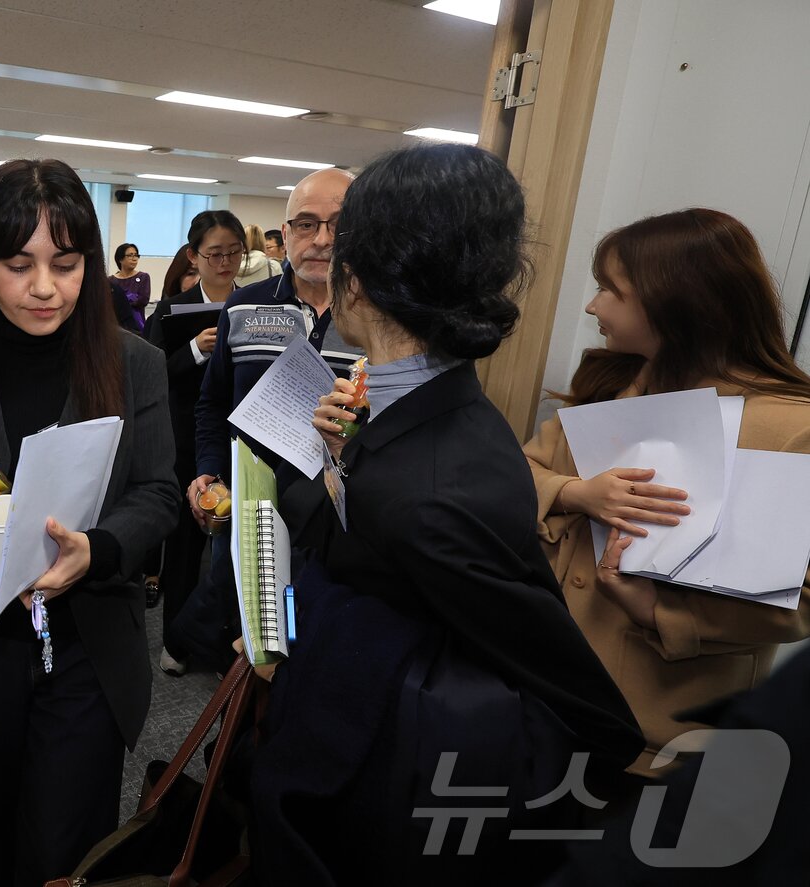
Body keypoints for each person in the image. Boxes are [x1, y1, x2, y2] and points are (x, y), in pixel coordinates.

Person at [250, 142, 643, 887]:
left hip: (377, 810)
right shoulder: (414, 404)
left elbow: (589, 713)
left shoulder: (431, 492)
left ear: (355, 283)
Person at [0, 158, 177, 886]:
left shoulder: (134, 365)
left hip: (86, 646)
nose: (45, 286)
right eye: (19, 264)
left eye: (67, 263)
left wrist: (98, 548)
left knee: (64, 845)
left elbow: (157, 492)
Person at [524, 208, 810, 775]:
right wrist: (575, 494)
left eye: (611, 290)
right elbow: (515, 475)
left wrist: (663, 613)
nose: (593, 306)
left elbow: (800, 598)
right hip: (544, 701)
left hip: (662, 738)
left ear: (677, 302)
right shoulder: (614, 386)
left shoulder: (789, 428)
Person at [180, 168, 362, 673]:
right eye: (306, 225)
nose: (322, 240)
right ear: (286, 233)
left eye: (339, 225)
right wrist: (208, 471)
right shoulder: (243, 307)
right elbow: (213, 404)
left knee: (311, 653)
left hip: (337, 524)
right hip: (250, 510)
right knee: (240, 640)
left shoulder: (382, 320)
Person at [142, 209, 247, 676]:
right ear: (193, 256)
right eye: (215, 254)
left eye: (233, 253)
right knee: (185, 549)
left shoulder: (259, 305)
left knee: (238, 553)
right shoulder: (170, 311)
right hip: (186, 442)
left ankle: (232, 646)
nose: (225, 263)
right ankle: (177, 643)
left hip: (244, 439)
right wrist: (194, 351)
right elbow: (149, 378)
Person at [109, 242, 151, 330]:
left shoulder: (143, 277)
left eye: (136, 255)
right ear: (120, 259)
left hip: (137, 324)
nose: (134, 258)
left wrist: (122, 302)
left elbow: (143, 300)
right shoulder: (110, 280)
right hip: (116, 324)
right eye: (130, 255)